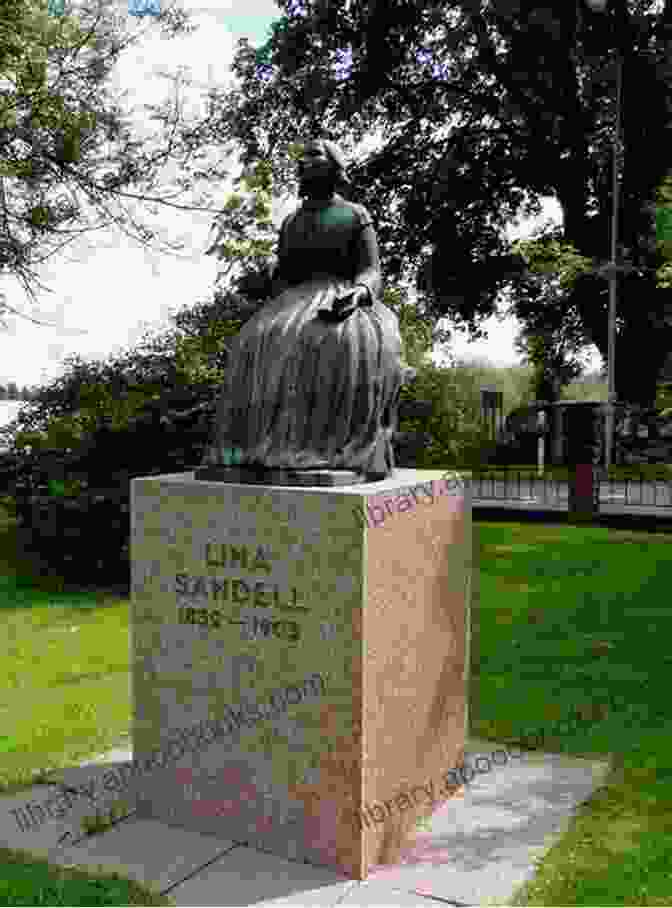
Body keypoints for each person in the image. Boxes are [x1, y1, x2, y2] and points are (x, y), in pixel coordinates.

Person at [199, 138, 406, 481]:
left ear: (335, 166)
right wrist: (264, 277)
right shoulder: (291, 222)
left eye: (315, 155)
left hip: (340, 294)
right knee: (250, 341)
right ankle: (248, 447)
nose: (305, 161)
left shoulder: (355, 215)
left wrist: (358, 293)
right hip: (293, 299)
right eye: (302, 157)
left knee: (331, 339)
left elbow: (371, 269)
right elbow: (284, 276)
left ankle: (328, 445)